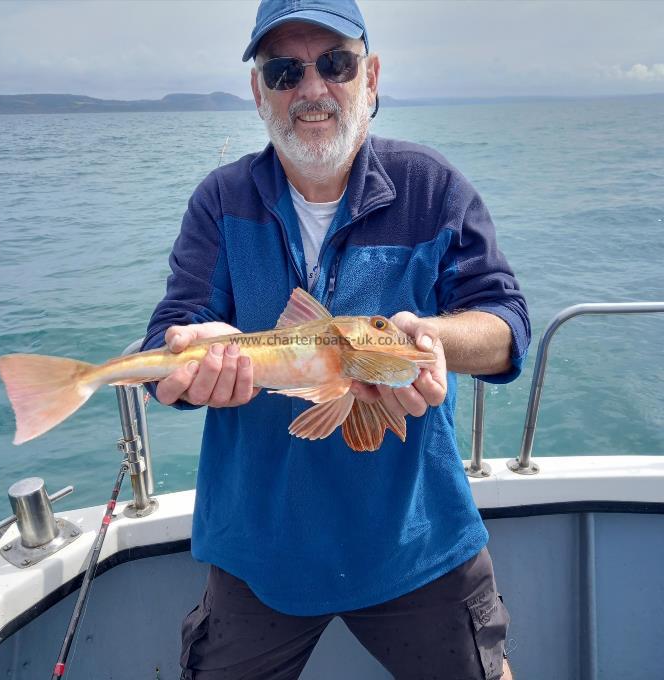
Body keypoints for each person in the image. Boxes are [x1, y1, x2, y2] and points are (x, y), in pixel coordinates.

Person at [142, 1, 530, 678]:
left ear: (371, 77)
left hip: (415, 536)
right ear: (259, 91)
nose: (312, 89)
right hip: (260, 548)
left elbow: (503, 323)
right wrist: (183, 368)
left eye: (335, 64)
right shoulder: (221, 201)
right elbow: (169, 342)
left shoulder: (432, 188)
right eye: (286, 70)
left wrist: (429, 338)